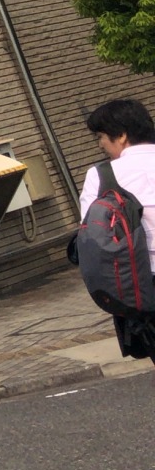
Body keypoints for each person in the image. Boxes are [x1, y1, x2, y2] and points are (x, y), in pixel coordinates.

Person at [79, 98, 155, 358]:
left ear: (121, 135)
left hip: (142, 285)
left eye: (101, 136)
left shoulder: (102, 176)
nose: (101, 144)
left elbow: (91, 233)